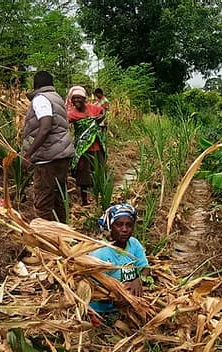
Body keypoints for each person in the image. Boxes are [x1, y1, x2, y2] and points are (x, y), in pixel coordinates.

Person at [22, 71, 76, 223]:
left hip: (47, 158)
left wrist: (28, 154)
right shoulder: (57, 98)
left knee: (43, 202)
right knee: (59, 198)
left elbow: (45, 126)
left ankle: (46, 240)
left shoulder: (41, 99)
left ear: (36, 85)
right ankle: (63, 235)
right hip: (62, 154)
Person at [88, 203, 150, 316]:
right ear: (110, 226)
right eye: (119, 225)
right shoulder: (100, 253)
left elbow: (145, 268)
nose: (124, 229)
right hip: (101, 311)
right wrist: (116, 296)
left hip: (129, 305)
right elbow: (92, 287)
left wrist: (138, 280)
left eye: (129, 225)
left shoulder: (134, 244)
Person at [66, 86, 107, 205]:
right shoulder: (72, 114)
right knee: (83, 175)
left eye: (79, 98)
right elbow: (63, 123)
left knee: (98, 172)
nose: (76, 101)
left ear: (85, 99)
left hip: (97, 147)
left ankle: (99, 198)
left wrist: (101, 118)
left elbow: (103, 111)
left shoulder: (93, 108)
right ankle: (85, 201)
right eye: (74, 99)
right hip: (83, 149)